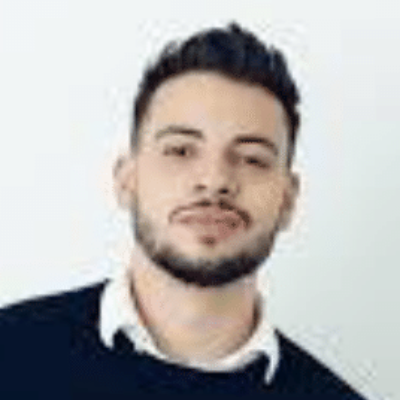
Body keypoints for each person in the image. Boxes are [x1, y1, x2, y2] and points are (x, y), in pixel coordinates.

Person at [0, 22, 368, 399]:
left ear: (288, 201)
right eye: (180, 150)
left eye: (252, 159)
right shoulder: (10, 351)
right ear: (126, 180)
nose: (214, 180)